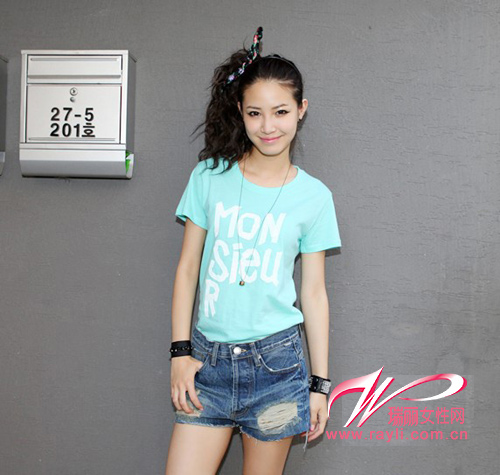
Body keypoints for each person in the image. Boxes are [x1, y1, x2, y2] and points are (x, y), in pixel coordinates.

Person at [165, 26, 342, 475]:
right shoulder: (209, 177)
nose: (268, 126)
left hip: (277, 370)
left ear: (301, 110)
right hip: (207, 366)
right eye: (255, 113)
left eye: (280, 111)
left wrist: (320, 384)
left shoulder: (315, 197)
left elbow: (314, 293)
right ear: (240, 114)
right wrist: (180, 353)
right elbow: (187, 269)